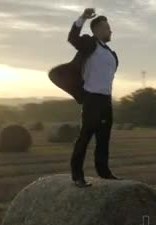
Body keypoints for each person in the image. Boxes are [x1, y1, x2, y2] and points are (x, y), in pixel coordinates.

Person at [48, 8, 121, 187]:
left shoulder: (112, 54)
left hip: (106, 101)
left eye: (109, 28)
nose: (110, 31)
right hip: (91, 99)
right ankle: (77, 175)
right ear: (96, 30)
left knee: (103, 140)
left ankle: (104, 172)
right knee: (85, 137)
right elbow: (73, 38)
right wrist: (82, 18)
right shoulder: (90, 44)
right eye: (106, 28)